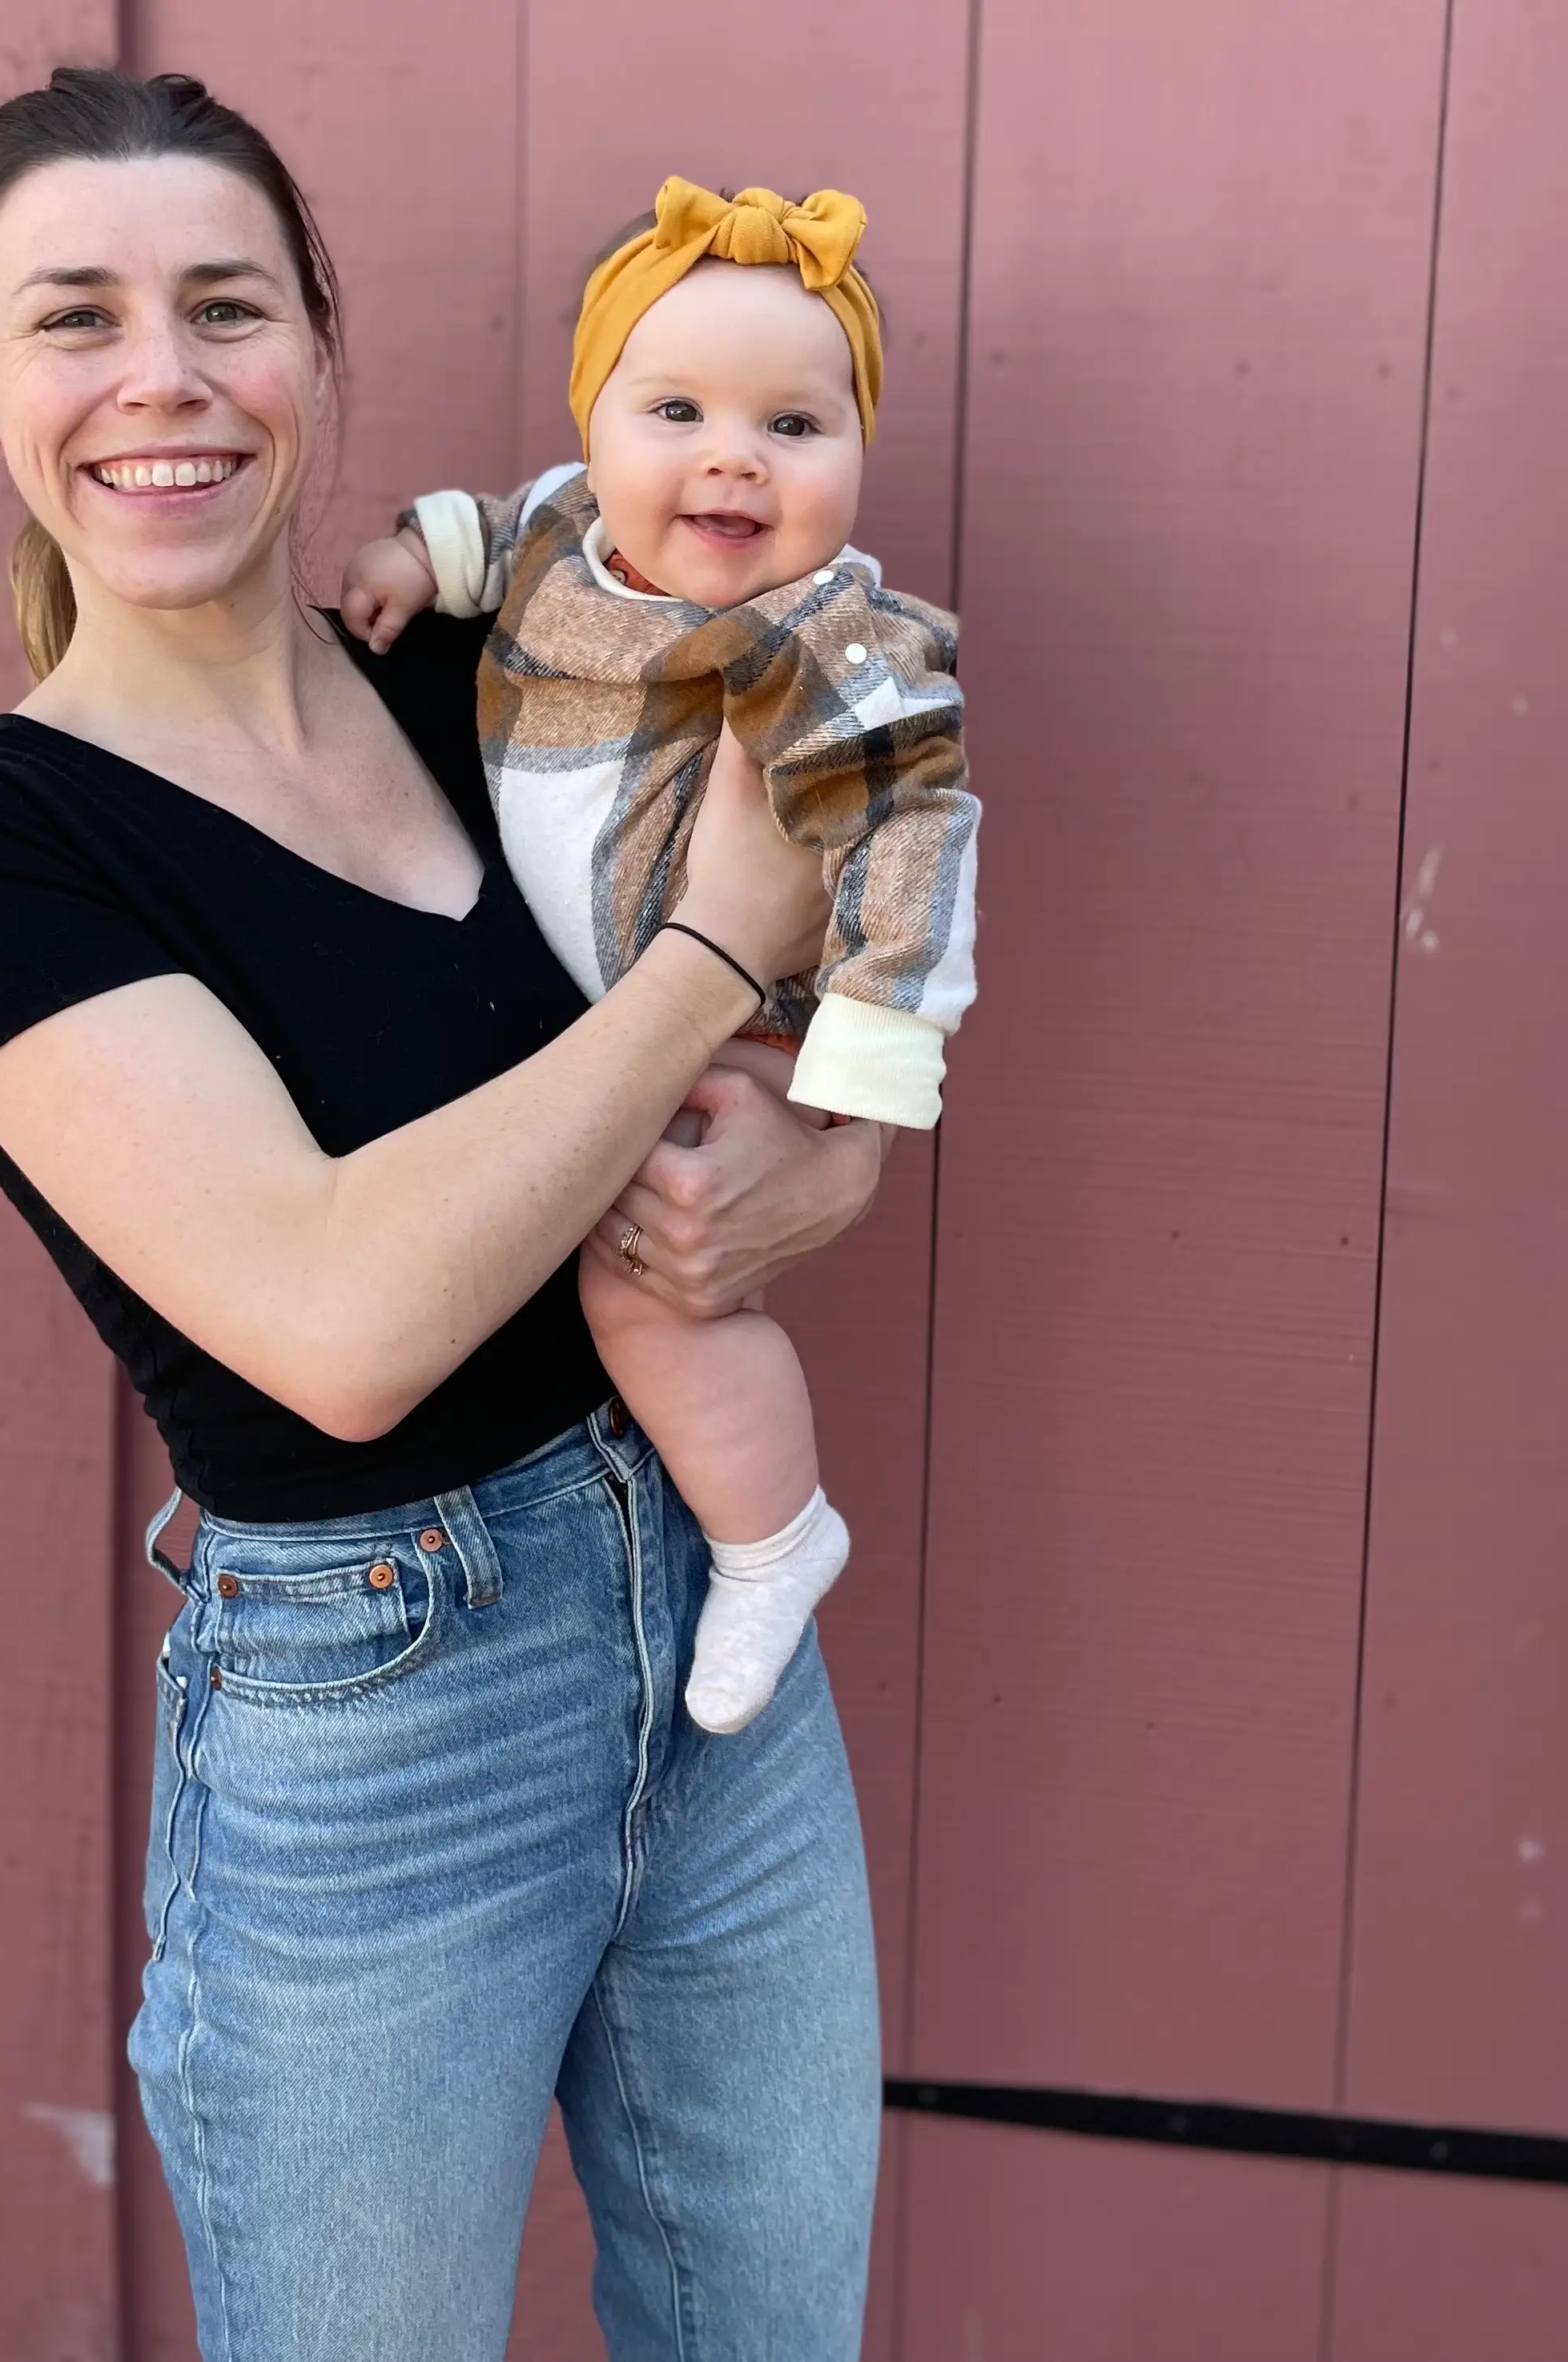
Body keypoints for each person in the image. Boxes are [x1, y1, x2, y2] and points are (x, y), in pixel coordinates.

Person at [0, 68, 883, 2362]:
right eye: (76, 316)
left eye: (227, 305)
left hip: (714, 1600)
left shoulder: (500, 674)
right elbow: (338, 1322)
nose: (163, 376)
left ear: (316, 344)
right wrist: (711, 951)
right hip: (383, 1706)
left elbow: (828, 949)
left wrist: (830, 1160)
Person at [341, 178, 978, 1736]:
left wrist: (858, 1092)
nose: (732, 455)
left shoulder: (826, 641)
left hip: (733, 1029)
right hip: (598, 1014)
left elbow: (915, 838)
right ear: (597, 426)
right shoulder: (573, 531)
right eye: (677, 410)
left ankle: (772, 1538)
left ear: (857, 456)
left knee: (642, 1287)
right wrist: (422, 554)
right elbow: (503, 527)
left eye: (794, 425)